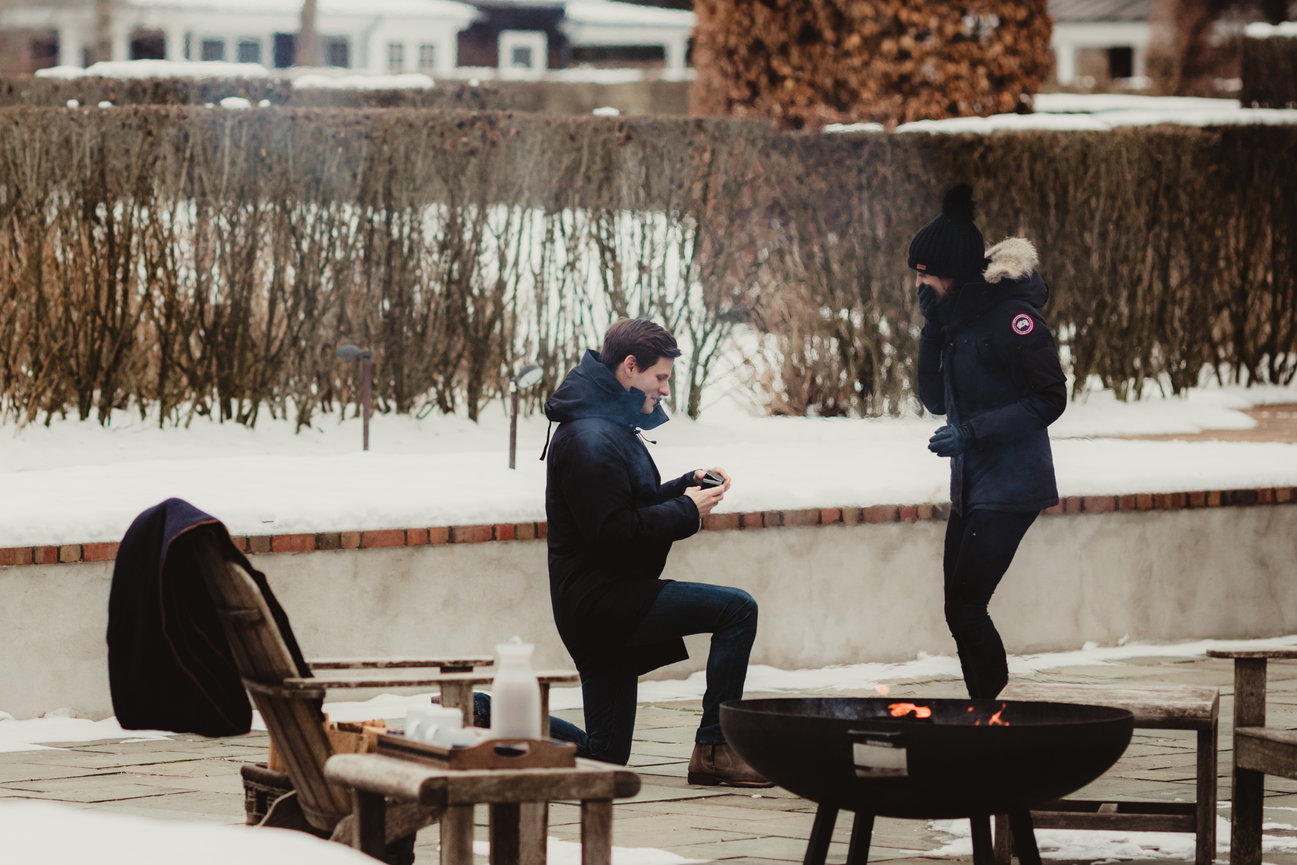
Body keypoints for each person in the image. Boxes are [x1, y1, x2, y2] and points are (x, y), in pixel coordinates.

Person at [538, 317, 770, 787]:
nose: (664, 390)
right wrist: (687, 509)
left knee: (604, 754)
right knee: (737, 610)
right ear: (630, 367)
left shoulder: (605, 425)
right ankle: (715, 750)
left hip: (605, 599)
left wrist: (685, 486)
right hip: (602, 602)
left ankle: (480, 713)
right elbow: (611, 532)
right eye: (660, 377)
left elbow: (628, 506)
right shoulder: (588, 437)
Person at [910, 183, 1067, 700]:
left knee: (965, 605)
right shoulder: (954, 320)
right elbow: (934, 399)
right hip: (973, 486)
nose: (918, 282)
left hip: (1012, 485)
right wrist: (931, 329)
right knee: (959, 607)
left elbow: (1051, 397)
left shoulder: (1011, 318)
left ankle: (990, 712)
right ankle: (986, 710)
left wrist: (972, 433)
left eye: (925, 274)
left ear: (952, 274)